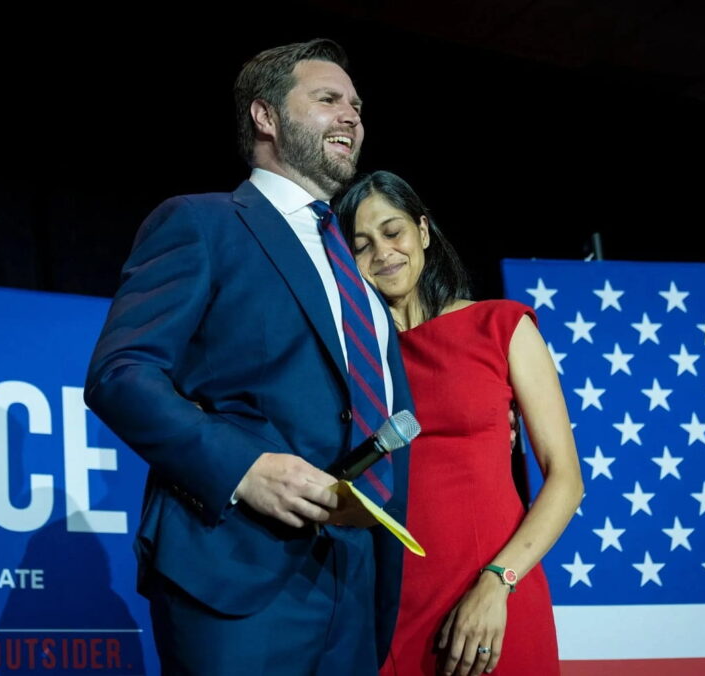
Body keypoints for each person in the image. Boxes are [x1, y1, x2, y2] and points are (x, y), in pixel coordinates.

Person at [84, 40, 414, 675]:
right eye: (327, 100)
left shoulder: (360, 271)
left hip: (355, 584)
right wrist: (245, 468)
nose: (351, 116)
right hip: (234, 571)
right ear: (266, 117)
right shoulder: (201, 224)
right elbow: (120, 373)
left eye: (357, 105)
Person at [336, 171, 584, 676]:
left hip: (494, 596)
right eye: (361, 245)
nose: (382, 252)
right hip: (386, 604)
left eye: (392, 231)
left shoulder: (501, 326)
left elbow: (566, 479)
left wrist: (498, 581)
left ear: (423, 232)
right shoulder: (352, 359)